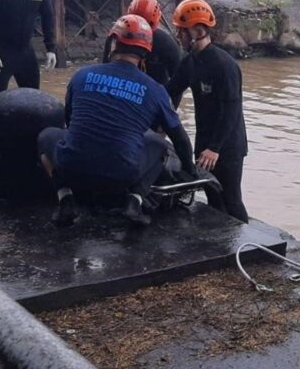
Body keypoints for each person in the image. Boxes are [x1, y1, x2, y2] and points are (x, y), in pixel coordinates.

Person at [38, 14, 197, 228]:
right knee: (160, 145)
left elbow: (70, 120)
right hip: (121, 176)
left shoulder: (81, 75)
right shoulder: (156, 90)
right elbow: (180, 139)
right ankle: (135, 201)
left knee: (46, 136)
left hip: (72, 168)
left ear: (113, 43)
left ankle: (65, 198)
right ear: (146, 51)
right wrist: (190, 171)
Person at [168, 0, 249, 222]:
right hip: (204, 141)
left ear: (198, 31)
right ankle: (224, 245)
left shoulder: (224, 66)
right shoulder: (189, 62)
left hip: (228, 145)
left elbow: (231, 110)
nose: (178, 36)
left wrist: (215, 148)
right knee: (213, 198)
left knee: (231, 199)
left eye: (182, 31)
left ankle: (247, 244)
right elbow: (170, 91)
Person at [127, 0, 181, 86]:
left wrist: (168, 98)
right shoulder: (118, 37)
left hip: (154, 91)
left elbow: (177, 79)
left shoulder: (165, 43)